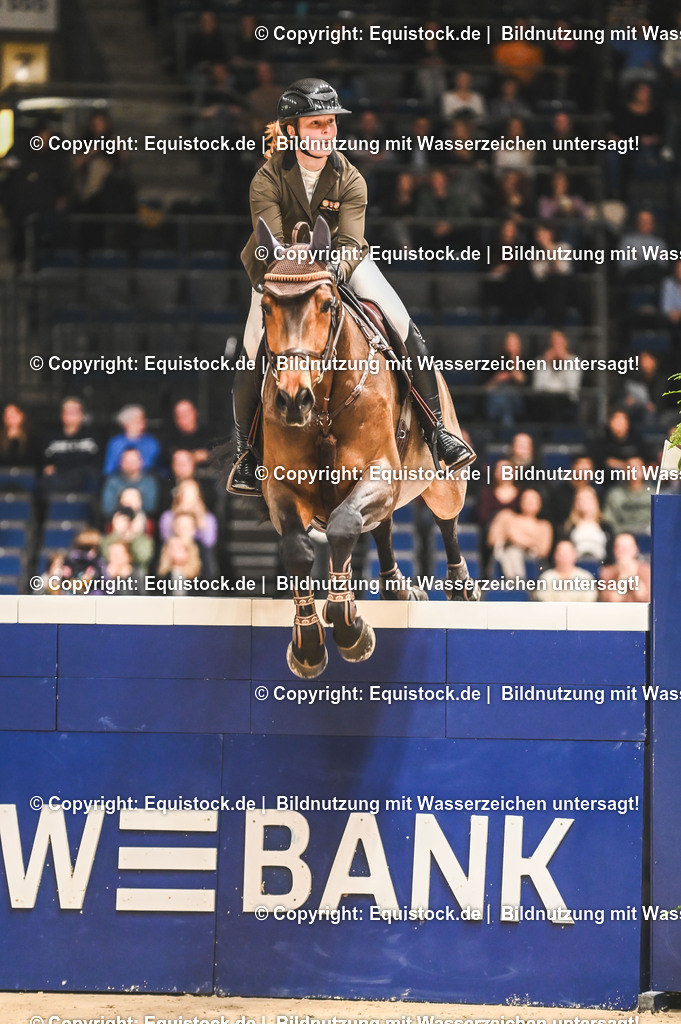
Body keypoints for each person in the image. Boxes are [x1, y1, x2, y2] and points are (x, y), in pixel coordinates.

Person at [231, 78, 475, 493]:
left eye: (330, 124)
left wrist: (333, 272)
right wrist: (302, 274)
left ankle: (437, 431)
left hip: (343, 263)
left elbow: (349, 241)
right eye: (316, 124)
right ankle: (248, 452)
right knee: (250, 347)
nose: (327, 132)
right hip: (278, 272)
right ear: (292, 131)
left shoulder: (351, 177)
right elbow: (271, 245)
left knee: (399, 320)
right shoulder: (266, 179)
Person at [41, 397, 101, 493]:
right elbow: (47, 462)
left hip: (83, 477)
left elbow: (95, 463)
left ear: (81, 415)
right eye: (67, 411)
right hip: (60, 477)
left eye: (74, 411)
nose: (70, 415)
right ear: (62, 415)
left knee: (93, 478)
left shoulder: (92, 436)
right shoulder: (52, 437)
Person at [103, 405, 161, 476]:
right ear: (125, 423)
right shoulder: (115, 443)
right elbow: (109, 470)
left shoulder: (151, 442)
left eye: (143, 419)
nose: (143, 422)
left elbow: (158, 468)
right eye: (139, 419)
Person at [598, 532, 651, 603]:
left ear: (636, 549)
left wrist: (633, 577)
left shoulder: (646, 570)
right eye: (619, 547)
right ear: (614, 550)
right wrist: (622, 578)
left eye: (628, 547)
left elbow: (647, 599)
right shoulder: (607, 572)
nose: (623, 550)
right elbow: (609, 601)